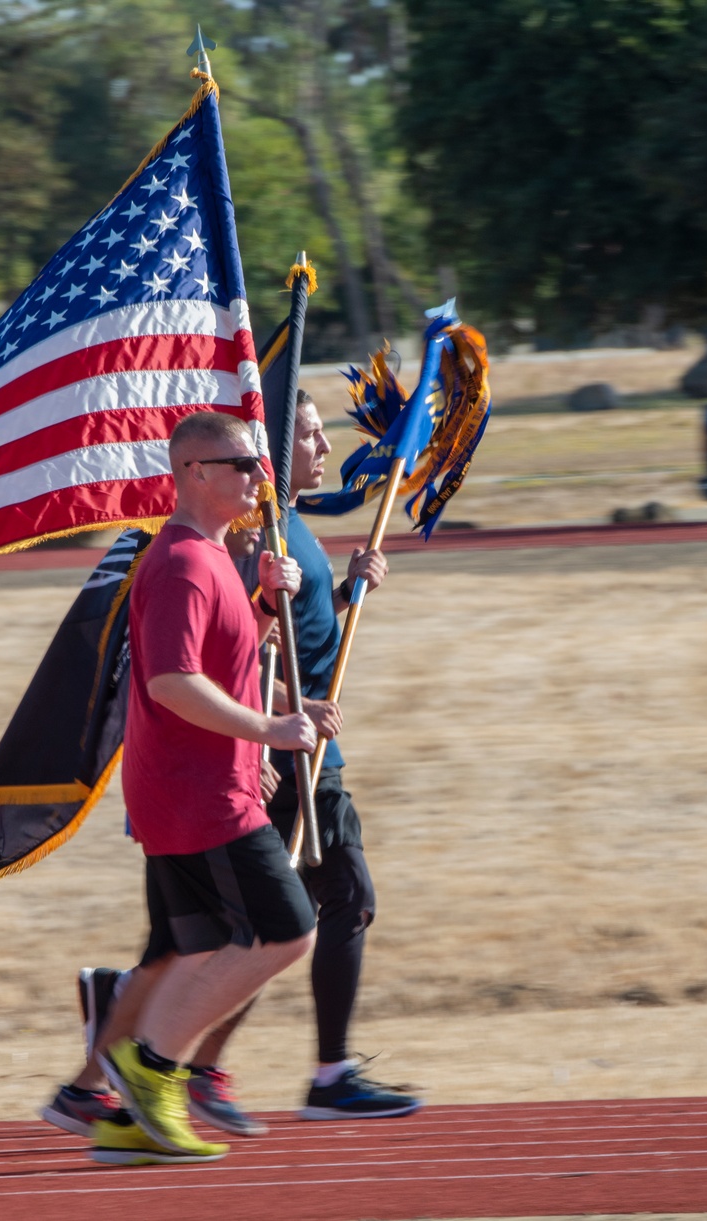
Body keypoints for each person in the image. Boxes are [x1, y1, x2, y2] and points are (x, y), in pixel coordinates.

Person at [85, 409, 318, 1166]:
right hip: (200, 795)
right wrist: (269, 731)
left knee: (201, 945)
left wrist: (282, 684)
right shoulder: (183, 561)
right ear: (194, 473)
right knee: (289, 928)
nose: (259, 473)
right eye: (243, 462)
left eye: (257, 461)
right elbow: (172, 681)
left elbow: (217, 664)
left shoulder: (215, 556)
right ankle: (151, 1066)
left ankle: (128, 1121)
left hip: (199, 788)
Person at [262, 388, 421, 1120]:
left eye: (325, 435)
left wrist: (354, 593)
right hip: (296, 751)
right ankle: (329, 1075)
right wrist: (282, 716)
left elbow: (313, 636)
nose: (326, 448)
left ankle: (127, 1014)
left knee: (246, 924)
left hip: (312, 742)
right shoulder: (264, 535)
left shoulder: (292, 523)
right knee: (340, 901)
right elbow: (249, 650)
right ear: (272, 442)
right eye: (312, 435)